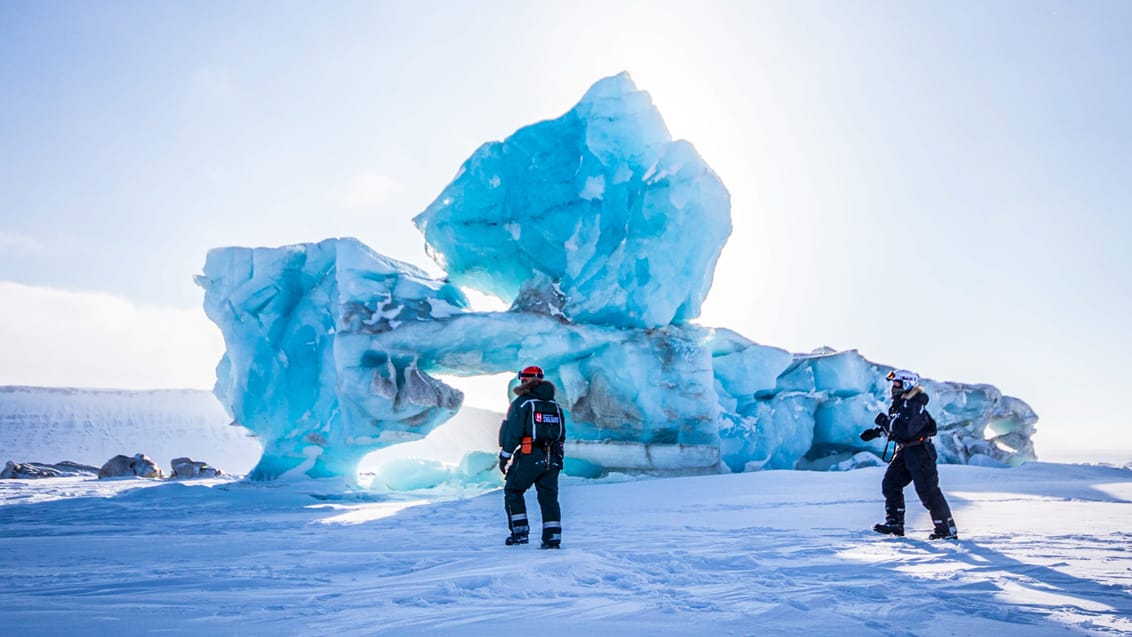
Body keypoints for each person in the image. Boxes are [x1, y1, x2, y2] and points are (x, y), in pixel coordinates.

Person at [861, 369, 959, 540]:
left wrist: (884, 421)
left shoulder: (914, 405)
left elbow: (905, 429)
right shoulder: (902, 403)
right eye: (893, 384)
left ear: (907, 384)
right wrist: (876, 432)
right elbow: (898, 427)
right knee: (890, 484)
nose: (893, 387)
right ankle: (894, 523)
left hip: (920, 452)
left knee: (928, 492)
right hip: (905, 450)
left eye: (897, 383)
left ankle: (946, 529)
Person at [498, 365, 567, 549]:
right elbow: (562, 435)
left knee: (513, 490)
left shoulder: (523, 403)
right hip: (553, 457)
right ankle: (552, 537)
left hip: (530, 455)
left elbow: (512, 432)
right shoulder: (555, 406)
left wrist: (505, 456)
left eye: (523, 379)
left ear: (526, 381)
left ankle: (519, 533)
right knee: (549, 497)